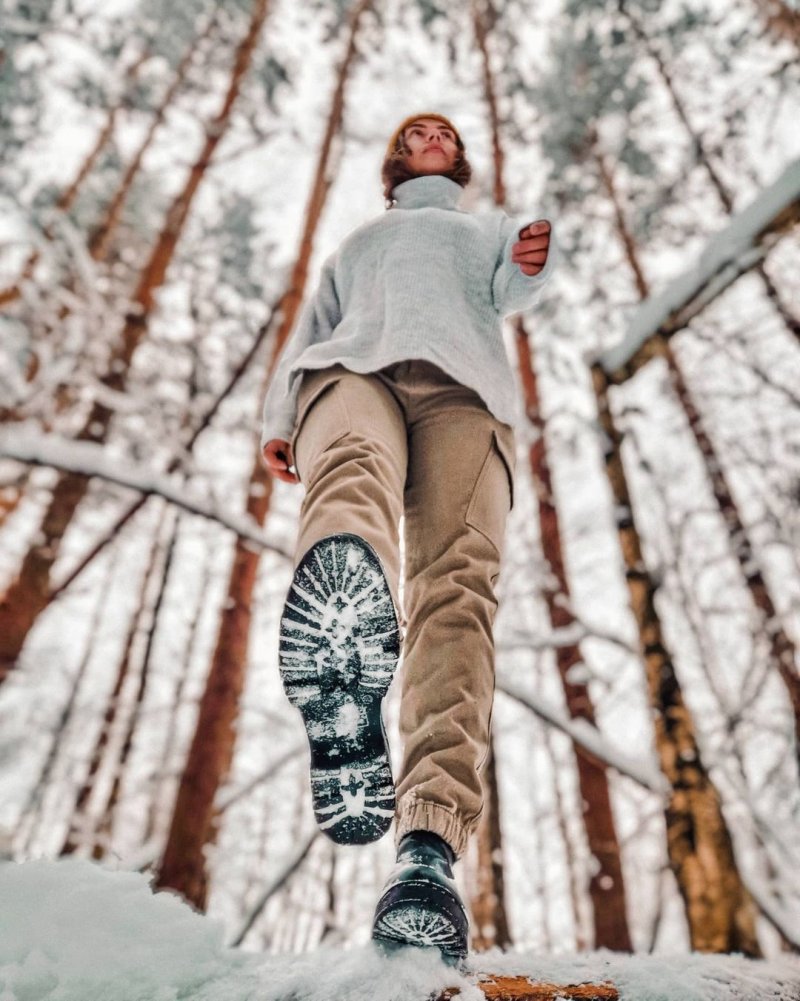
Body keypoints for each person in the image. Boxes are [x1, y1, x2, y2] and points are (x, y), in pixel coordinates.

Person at [261, 113, 553, 962]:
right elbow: (312, 327)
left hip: (468, 393)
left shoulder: (484, 230)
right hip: (354, 371)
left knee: (457, 593)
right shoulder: (359, 243)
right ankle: (342, 648)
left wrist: (532, 257)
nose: (430, 133)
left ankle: (427, 849)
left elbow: (514, 284)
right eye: (416, 129)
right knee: (352, 469)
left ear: (457, 158)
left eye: (443, 130)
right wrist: (278, 417)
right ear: (397, 157)